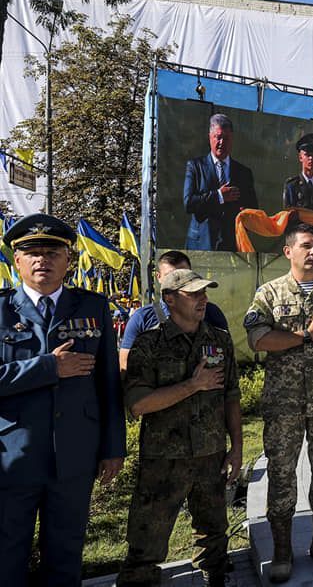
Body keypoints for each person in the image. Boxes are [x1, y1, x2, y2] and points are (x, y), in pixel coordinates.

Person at [0, 213, 125, 585]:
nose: (43, 260)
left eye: (52, 252)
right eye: (32, 252)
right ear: (17, 260)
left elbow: (108, 383)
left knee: (66, 555)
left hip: (75, 455)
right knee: (6, 555)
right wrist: (48, 367)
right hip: (13, 456)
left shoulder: (92, 307)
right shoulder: (1, 310)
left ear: (68, 259)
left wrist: (113, 447)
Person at [244, 223, 313, 582]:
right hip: (284, 404)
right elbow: (258, 339)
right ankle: (282, 551)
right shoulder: (269, 294)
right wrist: (305, 336)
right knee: (281, 475)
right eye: (306, 246)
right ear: (288, 251)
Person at [117, 270, 241, 587]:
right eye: (194, 294)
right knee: (147, 538)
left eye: (204, 293)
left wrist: (237, 448)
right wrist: (192, 385)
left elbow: (231, 396)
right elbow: (138, 404)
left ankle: (215, 577)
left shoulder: (219, 341)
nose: (203, 299)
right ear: (169, 299)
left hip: (210, 455)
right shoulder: (149, 344)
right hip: (164, 460)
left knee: (214, 533)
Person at [120, 250, 229, 372]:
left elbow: (226, 361)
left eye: (184, 274)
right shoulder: (143, 318)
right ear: (159, 277)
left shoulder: (211, 313)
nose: (178, 278)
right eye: (170, 275)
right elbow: (126, 368)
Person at [183, 113, 259, 251]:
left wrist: (246, 213)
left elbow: (253, 208)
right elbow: (189, 203)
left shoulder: (244, 172)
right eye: (218, 137)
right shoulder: (195, 166)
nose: (222, 142)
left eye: (226, 138)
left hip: (231, 245)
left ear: (232, 139)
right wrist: (219, 196)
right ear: (210, 137)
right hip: (201, 244)